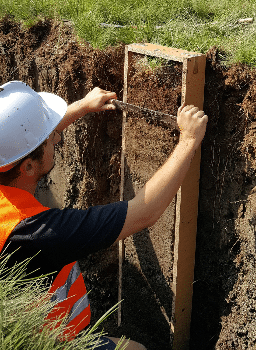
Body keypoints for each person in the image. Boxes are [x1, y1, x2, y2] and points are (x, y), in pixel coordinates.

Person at [0, 80, 208, 350]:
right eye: (52, 138)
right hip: (36, 341)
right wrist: (189, 140)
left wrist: (82, 107)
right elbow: (143, 213)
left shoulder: (10, 169)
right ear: (27, 166)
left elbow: (26, 146)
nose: (58, 138)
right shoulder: (38, 233)